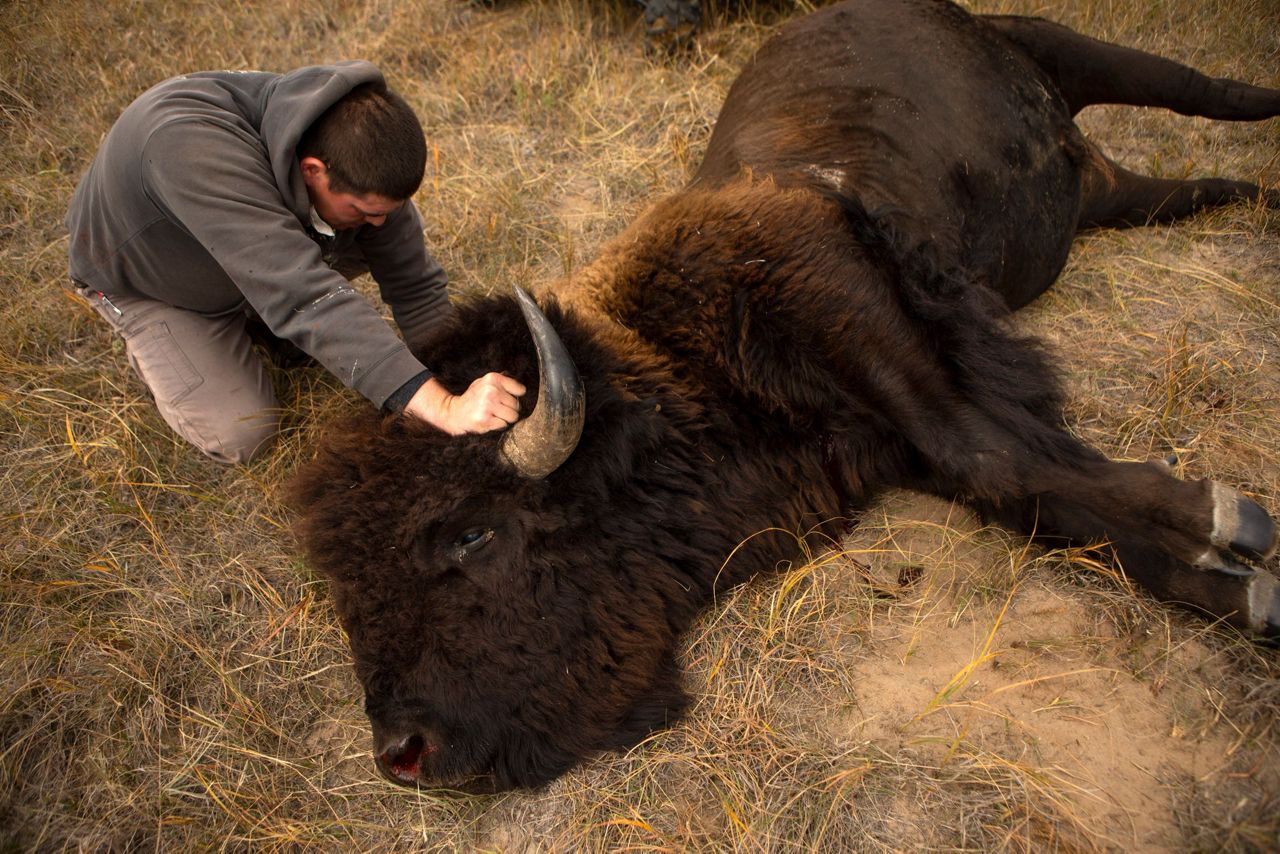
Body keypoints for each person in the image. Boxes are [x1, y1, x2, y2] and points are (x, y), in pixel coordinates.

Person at [65, 61, 524, 464]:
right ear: (312, 172)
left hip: (262, 253)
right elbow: (307, 298)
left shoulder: (355, 146)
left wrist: (458, 378)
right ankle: (166, 341)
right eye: (366, 212)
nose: (380, 223)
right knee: (244, 431)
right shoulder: (189, 152)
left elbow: (416, 288)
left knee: (361, 239)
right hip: (159, 283)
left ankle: (264, 317)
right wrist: (440, 409)